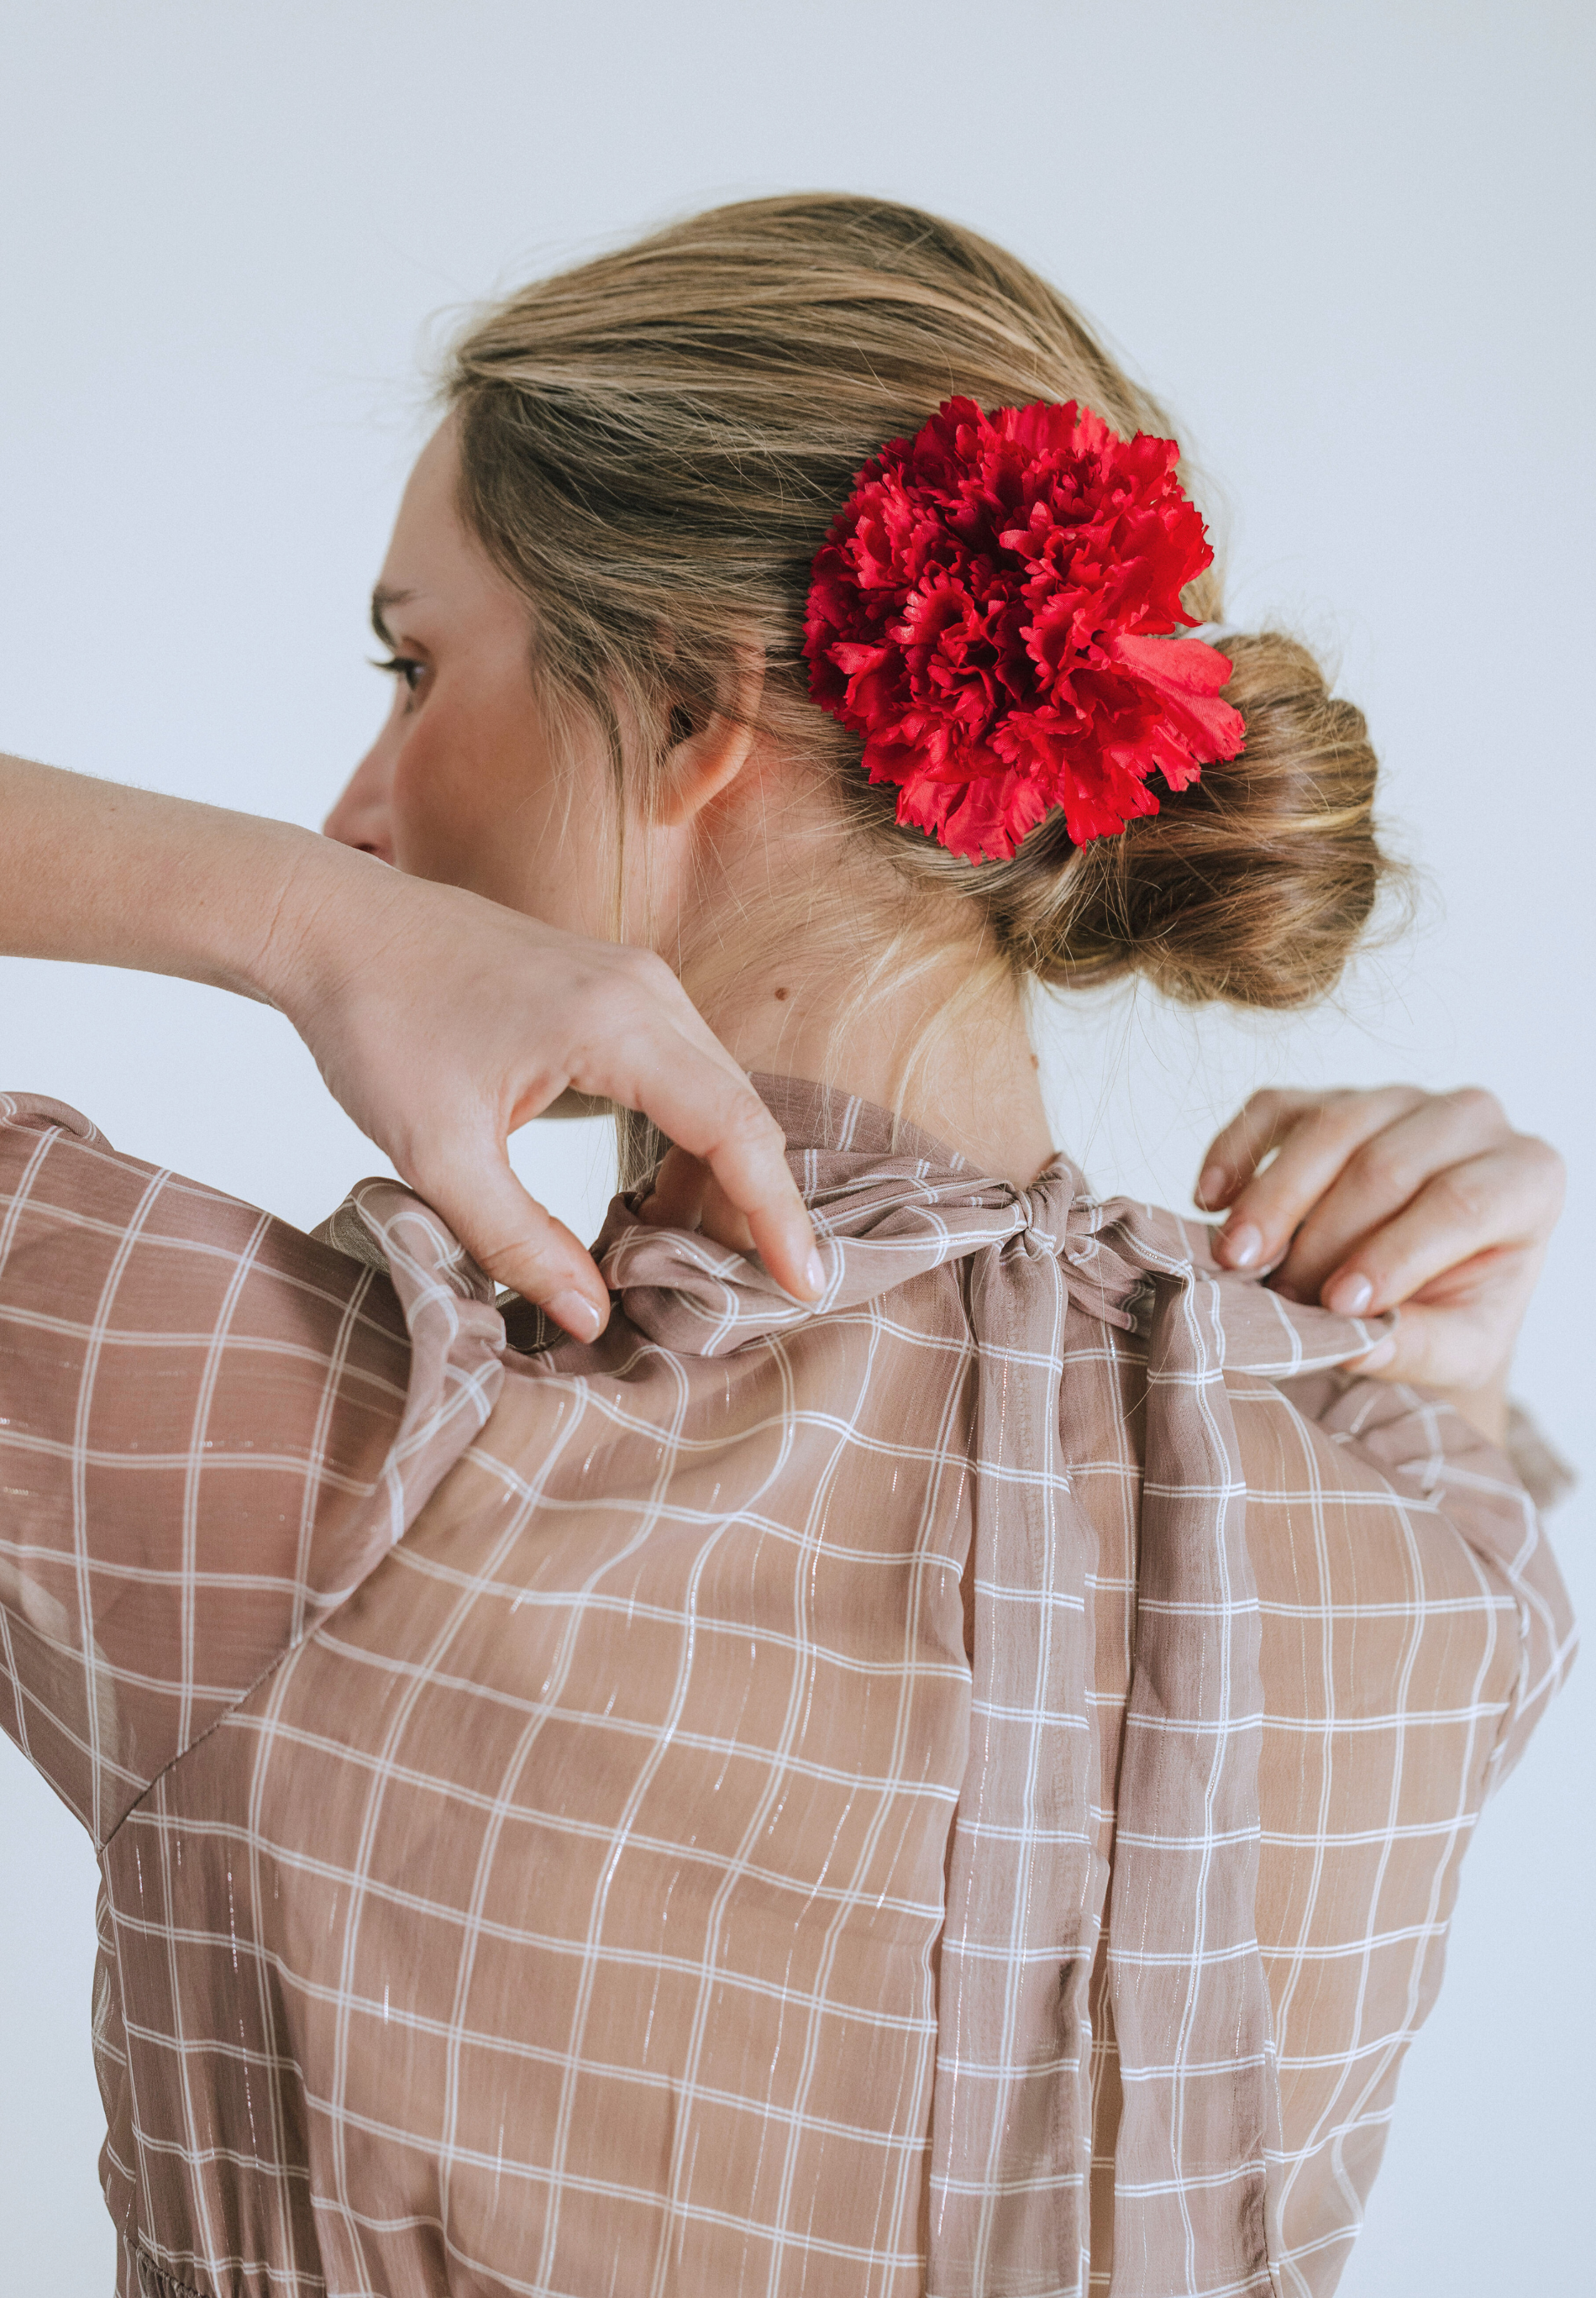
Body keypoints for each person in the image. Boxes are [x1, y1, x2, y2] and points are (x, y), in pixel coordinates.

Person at [0, 194, 1572, 2298]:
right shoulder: (1429, 1555)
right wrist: (1438, 1372)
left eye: (415, 667)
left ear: (684, 709)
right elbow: (1453, 1486)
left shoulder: (330, 1457)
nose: (358, 810)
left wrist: (296, 923)